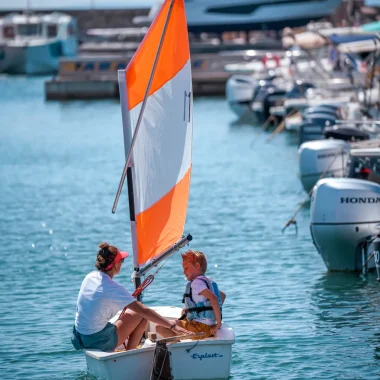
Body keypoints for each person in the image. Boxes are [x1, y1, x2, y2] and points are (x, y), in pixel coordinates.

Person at [71, 242, 190, 352]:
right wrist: (172, 326)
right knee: (141, 314)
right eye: (121, 260)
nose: (122, 263)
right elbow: (144, 311)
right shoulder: (112, 288)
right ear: (115, 265)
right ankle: (130, 354)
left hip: (79, 337)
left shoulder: (89, 277)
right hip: (98, 340)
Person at [156, 249, 226, 339]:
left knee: (160, 327)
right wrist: (212, 319)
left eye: (186, 268)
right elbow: (222, 296)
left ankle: (177, 350)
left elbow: (213, 298)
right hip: (208, 327)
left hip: (199, 328)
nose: (184, 272)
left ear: (197, 266)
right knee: (181, 316)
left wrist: (219, 324)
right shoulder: (209, 282)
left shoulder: (196, 283)